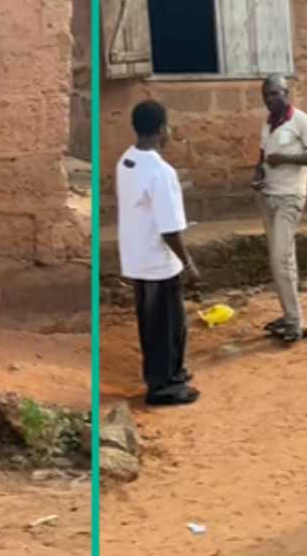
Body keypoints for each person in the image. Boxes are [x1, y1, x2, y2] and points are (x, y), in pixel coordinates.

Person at [115, 100, 201, 406]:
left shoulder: (126, 161)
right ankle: (163, 387)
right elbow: (169, 228)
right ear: (163, 129)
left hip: (138, 258)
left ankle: (170, 374)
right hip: (158, 261)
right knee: (166, 326)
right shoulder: (161, 172)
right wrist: (188, 264)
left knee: (155, 324)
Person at [251, 75, 307, 342]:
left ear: (286, 93)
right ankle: (291, 317)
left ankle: (293, 323)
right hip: (268, 198)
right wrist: (258, 174)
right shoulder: (267, 124)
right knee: (283, 260)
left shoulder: (301, 120)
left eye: (274, 94)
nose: (270, 100)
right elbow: (261, 159)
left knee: (279, 259)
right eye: (266, 96)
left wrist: (284, 158)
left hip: (290, 198)